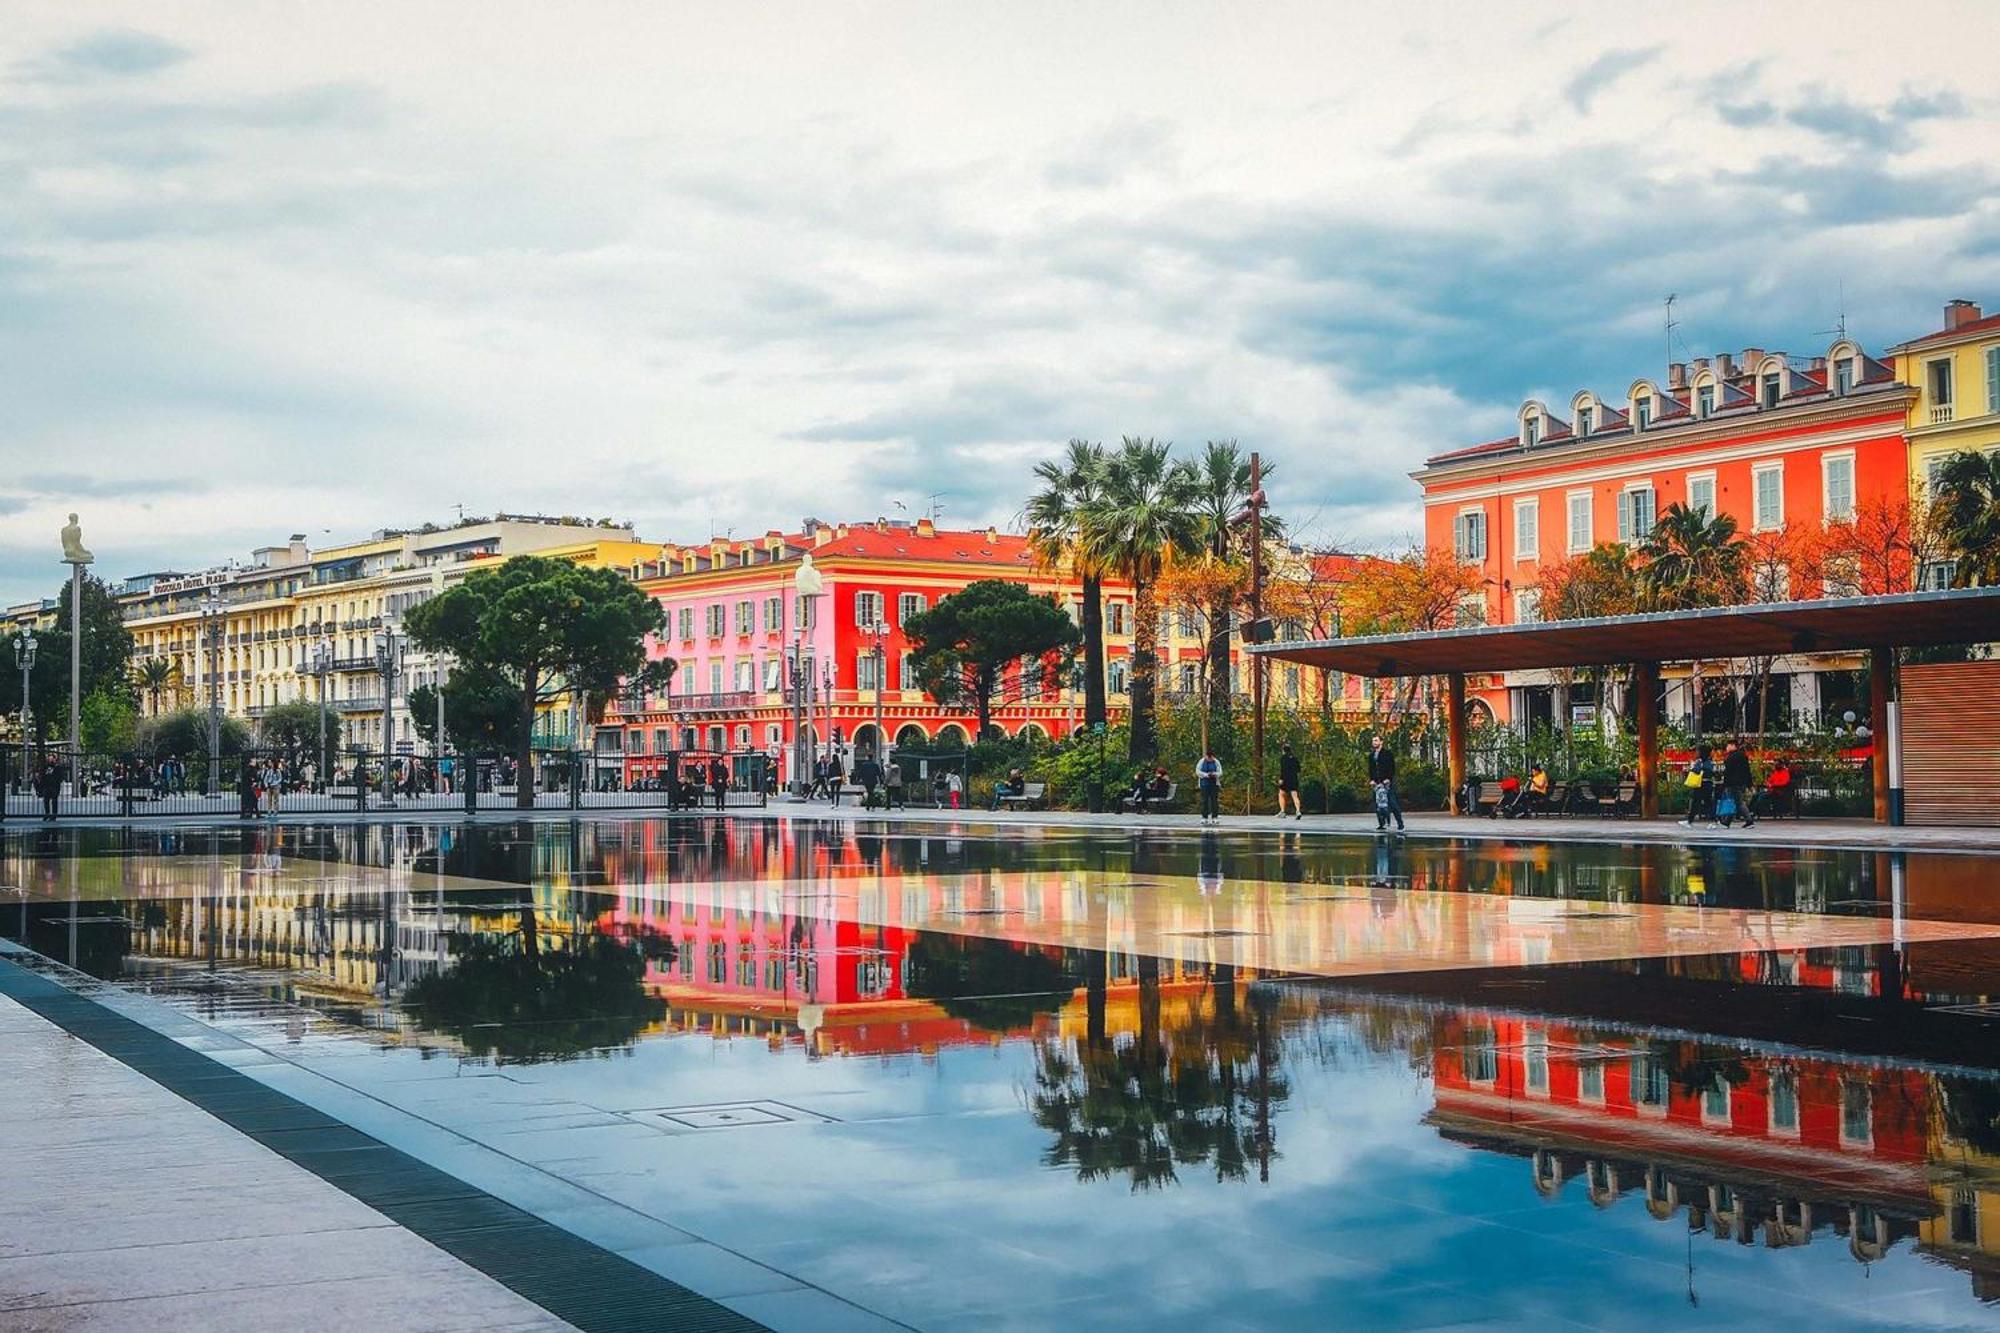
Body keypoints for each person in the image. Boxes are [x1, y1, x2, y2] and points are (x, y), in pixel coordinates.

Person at [1367, 734, 1405, 832]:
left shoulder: (1388, 754)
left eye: (1376, 740)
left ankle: (1400, 823)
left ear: (1381, 742)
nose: (1374, 742)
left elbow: (1392, 768)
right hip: (1376, 783)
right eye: (1373, 741)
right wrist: (1371, 780)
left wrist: (1388, 778)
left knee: (1392, 803)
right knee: (1378, 804)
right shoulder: (1371, 756)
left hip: (1387, 782)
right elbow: (1371, 769)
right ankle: (1381, 823)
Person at [1719, 739, 1756, 828]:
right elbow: (1747, 771)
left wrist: (1724, 784)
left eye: (1728, 746)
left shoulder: (1731, 757)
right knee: (1734, 802)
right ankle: (1727, 822)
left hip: (1732, 783)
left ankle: (1749, 820)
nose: (1726, 748)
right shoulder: (1743, 756)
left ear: (1733, 746)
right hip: (1741, 783)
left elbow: (1728, 772)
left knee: (1737, 802)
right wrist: (1749, 784)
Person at [1681, 743, 1717, 828]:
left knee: (1698, 802)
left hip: (1702, 784)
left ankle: (1691, 820)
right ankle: (1712, 821)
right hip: (1705, 784)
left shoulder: (1703, 762)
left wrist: (1694, 768)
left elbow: (1697, 771)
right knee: (1704, 802)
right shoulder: (1707, 761)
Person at [1195, 750, 1222, 823]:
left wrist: (1214, 774)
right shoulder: (1201, 762)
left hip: (1214, 784)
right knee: (1204, 801)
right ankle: (1204, 817)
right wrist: (1206, 775)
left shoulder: (1216, 762)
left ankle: (1214, 817)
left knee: (1214, 801)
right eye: (1208, 757)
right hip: (1204, 784)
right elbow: (1197, 771)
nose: (1210, 759)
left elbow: (1220, 772)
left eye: (1211, 757)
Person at [1277, 744, 1303, 820]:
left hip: (1286, 778)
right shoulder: (1295, 758)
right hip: (1294, 778)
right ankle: (1298, 811)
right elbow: (1298, 769)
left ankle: (1282, 811)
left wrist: (1281, 779)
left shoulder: (1283, 758)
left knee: (1281, 794)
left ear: (1283, 751)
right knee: (1295, 795)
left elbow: (1283, 769)